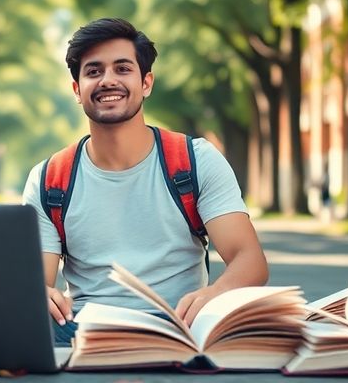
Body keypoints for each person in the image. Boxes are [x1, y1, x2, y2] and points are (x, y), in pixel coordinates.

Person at [21, 18, 268, 347]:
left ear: (146, 83)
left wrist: (215, 294)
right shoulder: (50, 179)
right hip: (82, 329)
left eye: (122, 69)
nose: (108, 80)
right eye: (94, 71)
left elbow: (249, 259)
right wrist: (41, 295)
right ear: (78, 90)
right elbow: (37, 283)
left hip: (179, 324)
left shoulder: (195, 161)